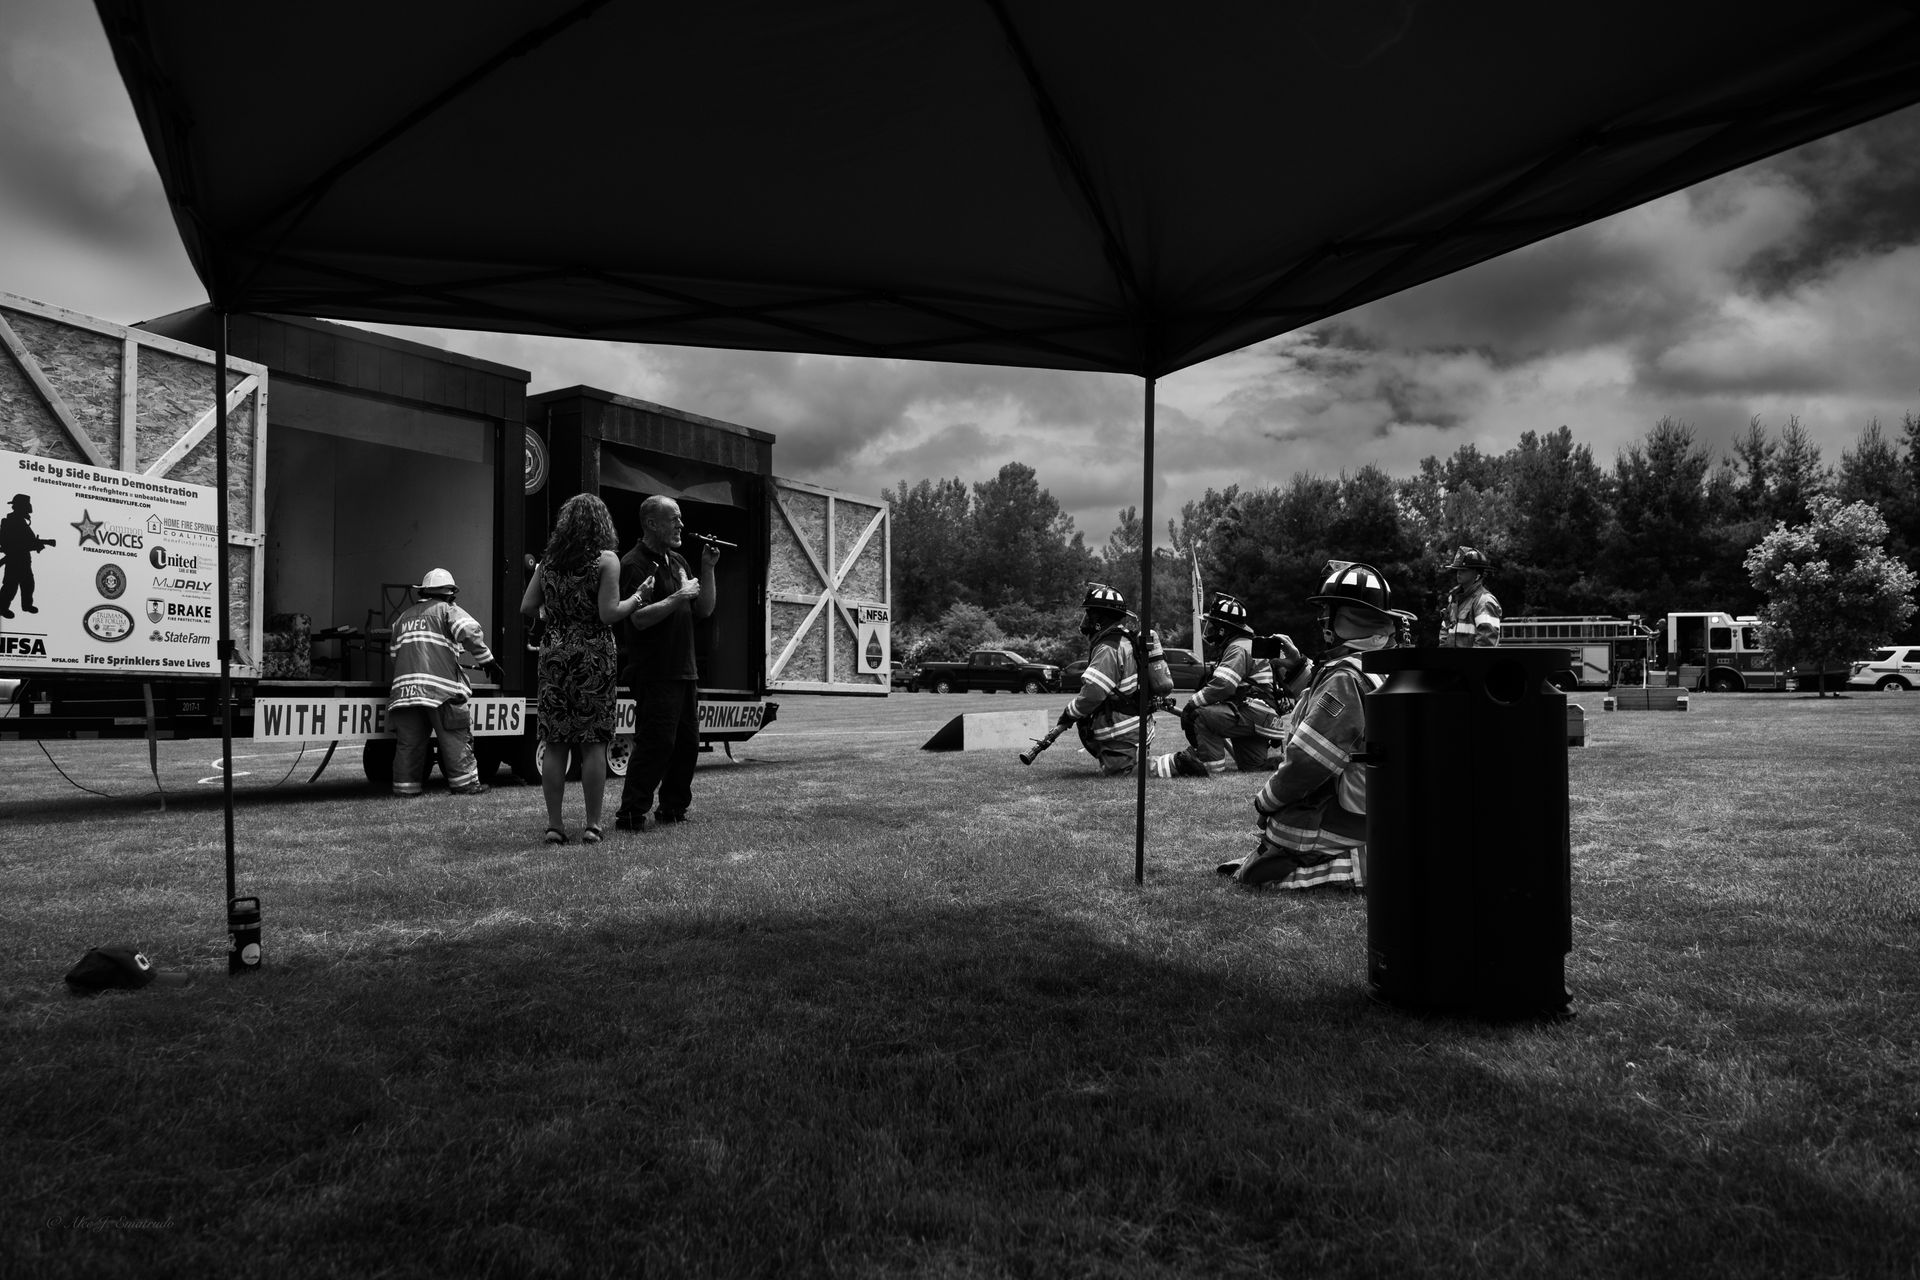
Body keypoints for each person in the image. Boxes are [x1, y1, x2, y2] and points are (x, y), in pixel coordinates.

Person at [1217, 561, 1401, 890]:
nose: (1322, 620)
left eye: (1328, 611)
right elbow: (1333, 709)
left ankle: (1358, 867)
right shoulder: (1385, 662)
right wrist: (1300, 667)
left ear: (1343, 618)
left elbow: (1309, 762)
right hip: (1381, 812)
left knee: (1260, 872)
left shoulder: (1345, 677)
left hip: (1347, 821)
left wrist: (1266, 801)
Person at [521, 492, 656, 845]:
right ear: (602, 524)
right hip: (593, 653)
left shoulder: (548, 561)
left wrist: (553, 616)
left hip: (554, 653)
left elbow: (527, 605)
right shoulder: (606, 560)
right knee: (593, 743)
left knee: (555, 742)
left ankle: (554, 825)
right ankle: (593, 825)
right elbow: (608, 613)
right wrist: (639, 597)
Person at [612, 495, 717, 832]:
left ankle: (673, 808)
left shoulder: (679, 561)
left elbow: (704, 610)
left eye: (681, 519)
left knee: (687, 745)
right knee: (657, 744)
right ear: (652, 523)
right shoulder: (633, 564)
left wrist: (708, 569)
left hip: (684, 670)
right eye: (674, 519)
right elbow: (637, 619)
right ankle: (631, 813)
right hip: (654, 671)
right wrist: (677, 596)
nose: (681, 526)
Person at [385, 568, 499, 797]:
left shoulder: (401, 619)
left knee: (409, 744)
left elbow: (395, 656)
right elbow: (469, 631)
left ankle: (405, 789)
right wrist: (487, 660)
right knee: (455, 738)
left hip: (405, 693)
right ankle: (465, 785)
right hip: (441, 692)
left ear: (423, 592)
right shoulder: (448, 610)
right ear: (450, 594)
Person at [1151, 594, 1290, 777]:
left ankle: (1209, 765)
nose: (1210, 631)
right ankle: (1278, 763)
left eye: (1213, 626)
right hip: (1266, 720)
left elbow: (1223, 686)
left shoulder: (1237, 648)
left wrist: (1192, 702)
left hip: (1253, 712)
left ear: (1224, 629)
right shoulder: (1248, 644)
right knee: (1253, 766)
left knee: (1201, 715)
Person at [1056, 583, 1157, 775]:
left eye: (1089, 614)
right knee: (1121, 768)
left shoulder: (1108, 648)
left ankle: (1178, 763)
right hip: (1136, 724)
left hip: (1122, 730)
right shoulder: (1125, 640)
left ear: (1099, 618)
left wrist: (1069, 713)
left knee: (1121, 772)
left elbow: (1093, 694)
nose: (1085, 620)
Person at [0, 493, 54, 619]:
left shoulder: (21, 521)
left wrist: (37, 544)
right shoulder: (11, 521)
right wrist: (33, 544)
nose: (28, 508)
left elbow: (28, 540)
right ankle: (2, 608)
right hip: (14, 559)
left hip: (24, 559)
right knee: (10, 586)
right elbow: (10, 541)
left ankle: (27, 606)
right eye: (26, 506)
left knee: (28, 584)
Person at [1441, 547, 1501, 647]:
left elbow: (1486, 643)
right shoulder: (1455, 601)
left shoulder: (1484, 601)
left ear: (1477, 574)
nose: (1459, 572)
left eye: (1464, 569)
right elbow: (1444, 634)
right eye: (1458, 569)